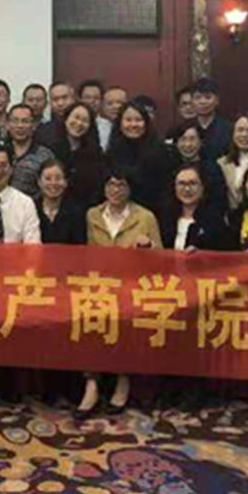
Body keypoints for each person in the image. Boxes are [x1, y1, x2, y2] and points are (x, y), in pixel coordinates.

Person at [82, 167, 163, 413]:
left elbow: (161, 259)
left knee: (128, 318)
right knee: (87, 317)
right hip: (99, 286)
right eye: (111, 184)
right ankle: (92, 384)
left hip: (133, 288)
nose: (115, 190)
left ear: (130, 188)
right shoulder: (92, 215)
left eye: (121, 185)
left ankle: (123, 379)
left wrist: (148, 247)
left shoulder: (145, 217)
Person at [107, 102, 170, 211]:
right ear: (120, 123)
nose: (133, 125)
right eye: (128, 120)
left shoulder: (160, 151)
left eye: (138, 120)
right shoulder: (112, 152)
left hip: (152, 211)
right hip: (119, 211)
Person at [163, 120, 227, 214]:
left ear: (201, 141)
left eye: (192, 139)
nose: (188, 144)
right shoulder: (168, 168)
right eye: (183, 139)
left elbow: (219, 200)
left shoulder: (212, 169)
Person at [159, 164, 227, 251]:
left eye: (192, 183)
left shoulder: (215, 221)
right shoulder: (165, 219)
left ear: (202, 187)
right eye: (181, 184)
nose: (187, 189)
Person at [53, 102, 107, 209]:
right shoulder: (52, 148)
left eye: (85, 121)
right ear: (66, 119)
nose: (79, 123)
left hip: (85, 207)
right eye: (76, 117)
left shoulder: (96, 153)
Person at [5, 103, 55, 198]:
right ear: (7, 124)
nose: (20, 126)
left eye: (25, 121)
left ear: (34, 125)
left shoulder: (45, 155)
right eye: (15, 121)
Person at [34, 159, 86, 244]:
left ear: (66, 182)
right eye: (48, 179)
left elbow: (80, 246)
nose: (53, 183)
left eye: (58, 178)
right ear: (39, 182)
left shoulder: (77, 212)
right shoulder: (31, 209)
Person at [191, 77, 232, 161]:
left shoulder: (228, 128)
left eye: (208, 97)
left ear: (217, 101)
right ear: (192, 101)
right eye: (198, 97)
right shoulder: (185, 127)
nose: (203, 102)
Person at [96, 86, 128, 152]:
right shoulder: (94, 126)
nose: (115, 107)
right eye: (109, 103)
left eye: (120, 103)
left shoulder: (133, 125)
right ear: (102, 106)